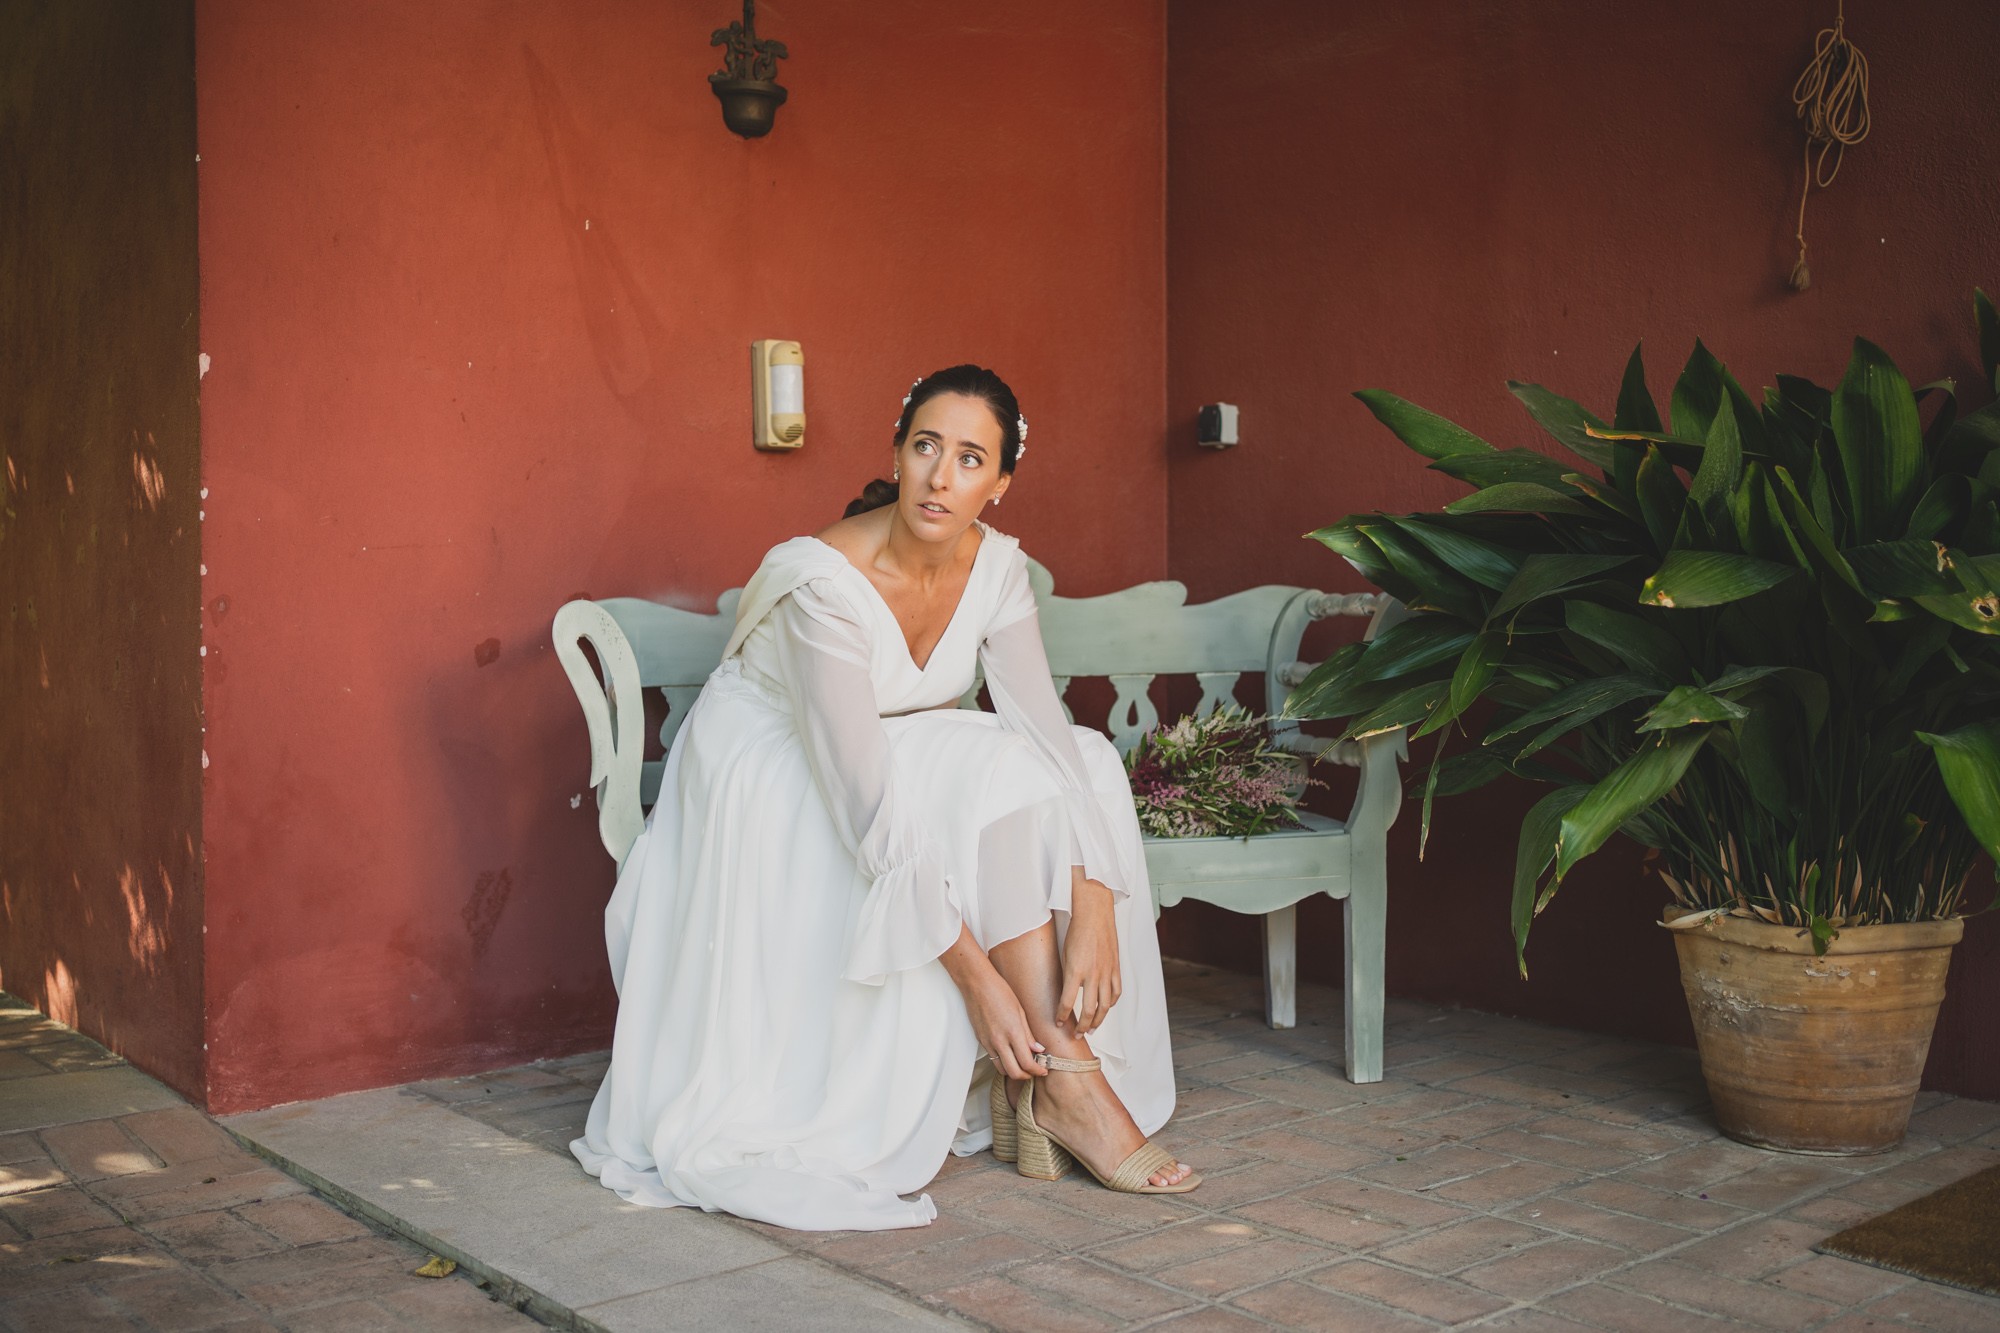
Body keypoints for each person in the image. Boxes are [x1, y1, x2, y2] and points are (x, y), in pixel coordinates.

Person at [571, 364, 1197, 1231]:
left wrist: (1095, 894)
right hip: (772, 763)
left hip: (890, 740)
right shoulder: (819, 580)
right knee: (990, 772)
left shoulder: (998, 567)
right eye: (926, 447)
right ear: (899, 454)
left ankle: (1054, 1081)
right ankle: (1062, 1073)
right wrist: (983, 987)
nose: (942, 477)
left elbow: (1047, 733)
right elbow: (862, 796)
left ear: (1001, 482)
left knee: (1083, 755)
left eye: (971, 458)